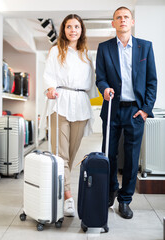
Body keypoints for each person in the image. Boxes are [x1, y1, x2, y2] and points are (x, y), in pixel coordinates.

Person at [96, 6, 157, 219]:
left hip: (135, 111)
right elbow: (100, 77)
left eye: (126, 17)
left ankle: (125, 200)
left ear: (132, 22)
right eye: (118, 18)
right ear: (113, 23)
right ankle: (112, 189)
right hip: (112, 109)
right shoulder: (104, 48)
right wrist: (104, 88)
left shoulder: (145, 47)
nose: (122, 20)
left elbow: (152, 81)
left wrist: (146, 110)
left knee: (131, 158)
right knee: (109, 154)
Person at [43, 14, 98, 217]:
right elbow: (48, 74)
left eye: (76, 26)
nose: (73, 30)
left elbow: (94, 80)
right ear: (63, 30)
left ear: (81, 30)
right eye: (69, 26)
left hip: (81, 105)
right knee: (61, 154)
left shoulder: (86, 54)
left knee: (71, 153)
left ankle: (60, 187)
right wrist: (50, 88)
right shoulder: (56, 51)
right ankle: (67, 196)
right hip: (60, 102)